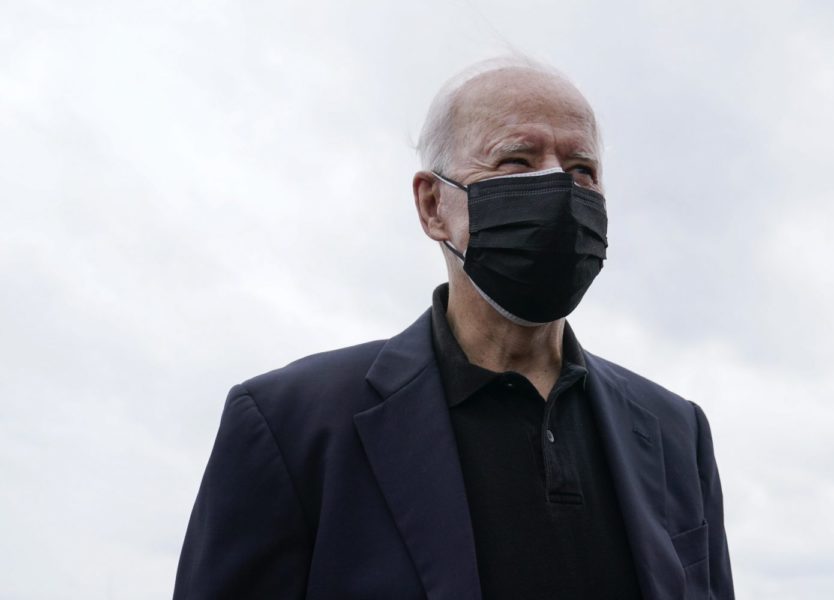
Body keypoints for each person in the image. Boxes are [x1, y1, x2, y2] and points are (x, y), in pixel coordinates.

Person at [174, 57, 734, 600]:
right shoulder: (290, 426)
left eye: (581, 170)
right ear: (432, 204)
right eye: (516, 162)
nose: (560, 189)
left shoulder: (674, 432)